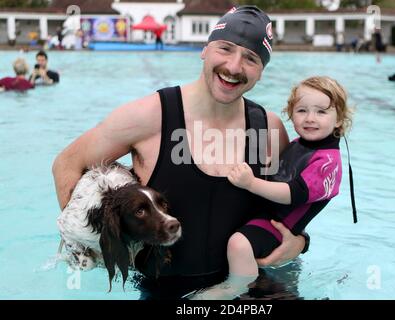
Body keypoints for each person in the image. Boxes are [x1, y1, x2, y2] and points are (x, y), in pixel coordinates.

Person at [52, 6, 307, 299]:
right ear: (205, 49)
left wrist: (300, 241)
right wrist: (88, 242)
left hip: (250, 287)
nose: (234, 67)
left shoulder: (269, 130)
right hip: (165, 290)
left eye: (251, 58)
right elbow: (67, 164)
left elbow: (294, 201)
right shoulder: (149, 117)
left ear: (261, 71)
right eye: (225, 48)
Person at [190, 76, 353, 300]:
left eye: (321, 112)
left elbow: (293, 195)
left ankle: (238, 286)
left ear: (339, 120)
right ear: (290, 113)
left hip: (280, 225)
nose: (310, 118)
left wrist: (251, 183)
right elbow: (283, 173)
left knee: (239, 244)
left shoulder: (326, 161)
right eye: (302, 110)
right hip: (268, 216)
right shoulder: (300, 144)